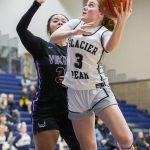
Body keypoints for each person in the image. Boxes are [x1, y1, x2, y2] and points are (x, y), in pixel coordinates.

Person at [50, 0, 136, 149]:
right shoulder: (75, 24)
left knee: (126, 138)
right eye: (86, 4)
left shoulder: (103, 33)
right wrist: (74, 32)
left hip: (97, 89)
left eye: (90, 5)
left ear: (101, 13)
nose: (85, 7)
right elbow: (53, 38)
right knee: (88, 147)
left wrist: (121, 22)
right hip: (75, 92)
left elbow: (110, 47)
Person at [16, 0, 81, 150]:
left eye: (63, 20)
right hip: (46, 111)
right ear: (49, 28)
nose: (59, 22)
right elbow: (21, 29)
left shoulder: (76, 52)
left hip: (72, 110)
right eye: (55, 20)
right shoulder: (42, 46)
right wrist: (36, 4)